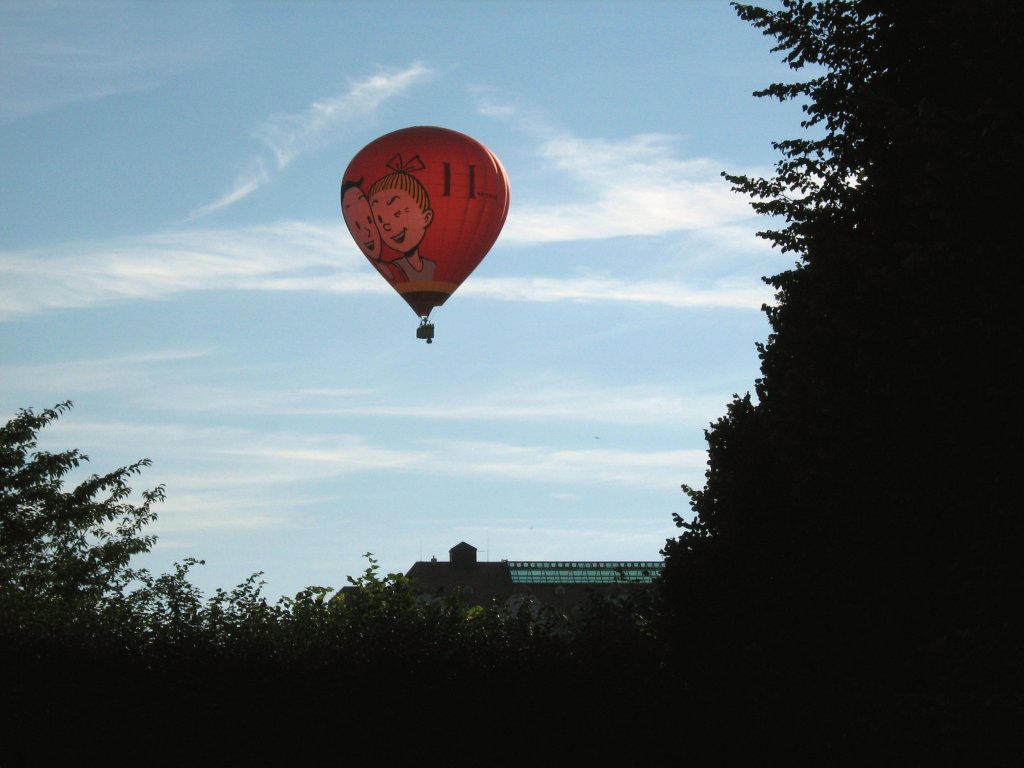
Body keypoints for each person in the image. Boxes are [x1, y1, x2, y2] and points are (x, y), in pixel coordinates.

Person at [367, 155, 436, 282]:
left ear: (426, 217)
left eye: (397, 214)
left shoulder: (431, 266)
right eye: (380, 220)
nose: (387, 225)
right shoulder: (393, 269)